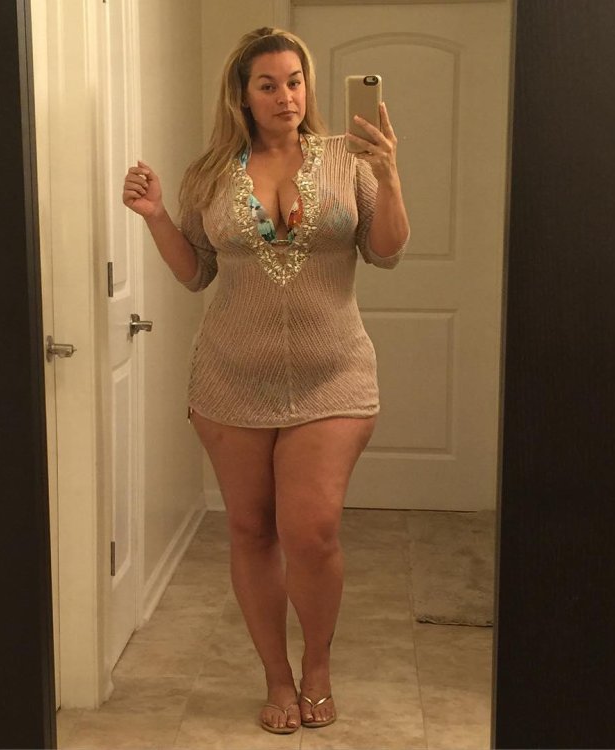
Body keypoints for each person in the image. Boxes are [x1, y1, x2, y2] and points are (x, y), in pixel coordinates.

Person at [122, 27, 409, 734]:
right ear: (242, 96)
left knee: (311, 531)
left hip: (334, 375)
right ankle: (277, 677)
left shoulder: (348, 158)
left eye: (295, 81)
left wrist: (390, 175)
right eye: (269, 85)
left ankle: (318, 666)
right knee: (251, 530)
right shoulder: (209, 173)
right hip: (230, 379)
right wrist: (156, 216)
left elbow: (387, 251)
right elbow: (196, 272)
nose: (287, 96)